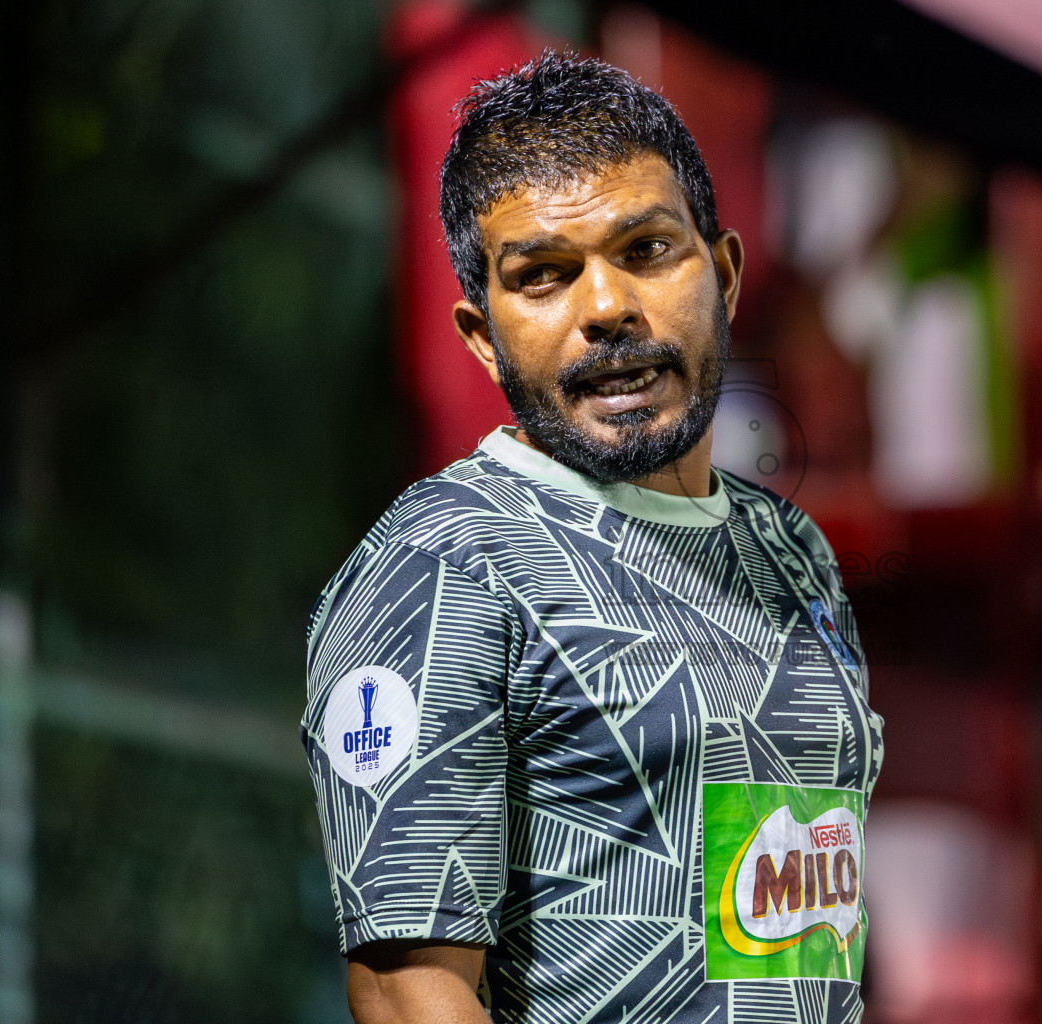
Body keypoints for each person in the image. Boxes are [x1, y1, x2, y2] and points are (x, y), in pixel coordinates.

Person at [300, 51, 883, 1024]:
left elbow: (797, 962)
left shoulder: (793, 554)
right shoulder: (444, 566)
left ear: (726, 274)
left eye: (647, 250)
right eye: (542, 276)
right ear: (482, 335)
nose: (606, 308)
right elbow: (409, 988)